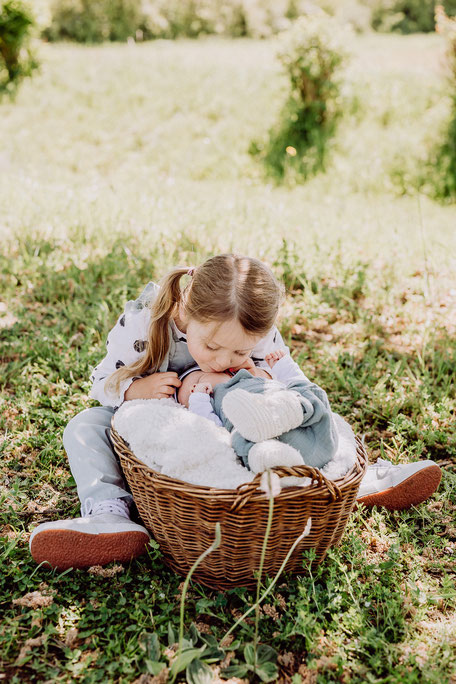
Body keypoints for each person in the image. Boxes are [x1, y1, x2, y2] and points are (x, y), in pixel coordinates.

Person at [29, 254, 442, 570]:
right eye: (210, 346)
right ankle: (108, 514)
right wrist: (137, 388)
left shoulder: (253, 328)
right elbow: (102, 380)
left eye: (240, 350)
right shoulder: (144, 321)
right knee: (85, 427)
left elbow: (278, 381)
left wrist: (257, 373)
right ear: (187, 310)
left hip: (232, 414)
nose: (222, 358)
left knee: (305, 415)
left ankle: (353, 479)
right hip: (156, 415)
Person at [178, 350, 340, 472]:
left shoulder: (255, 376)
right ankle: (272, 460)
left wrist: (276, 368)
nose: (220, 368)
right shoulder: (215, 399)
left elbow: (294, 382)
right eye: (198, 379)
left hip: (308, 427)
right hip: (288, 450)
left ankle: (281, 413)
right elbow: (211, 427)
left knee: (309, 394)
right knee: (238, 439)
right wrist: (199, 399)